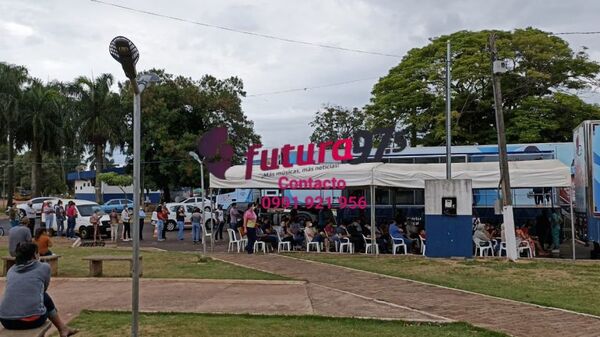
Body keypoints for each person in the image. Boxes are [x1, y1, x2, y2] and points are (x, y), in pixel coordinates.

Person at [0, 242, 78, 336]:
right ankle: (62, 329)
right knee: (44, 297)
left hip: (5, 320)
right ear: (34, 255)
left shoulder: (11, 270)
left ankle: (63, 329)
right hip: (32, 320)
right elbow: (43, 290)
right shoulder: (44, 267)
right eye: (37, 253)